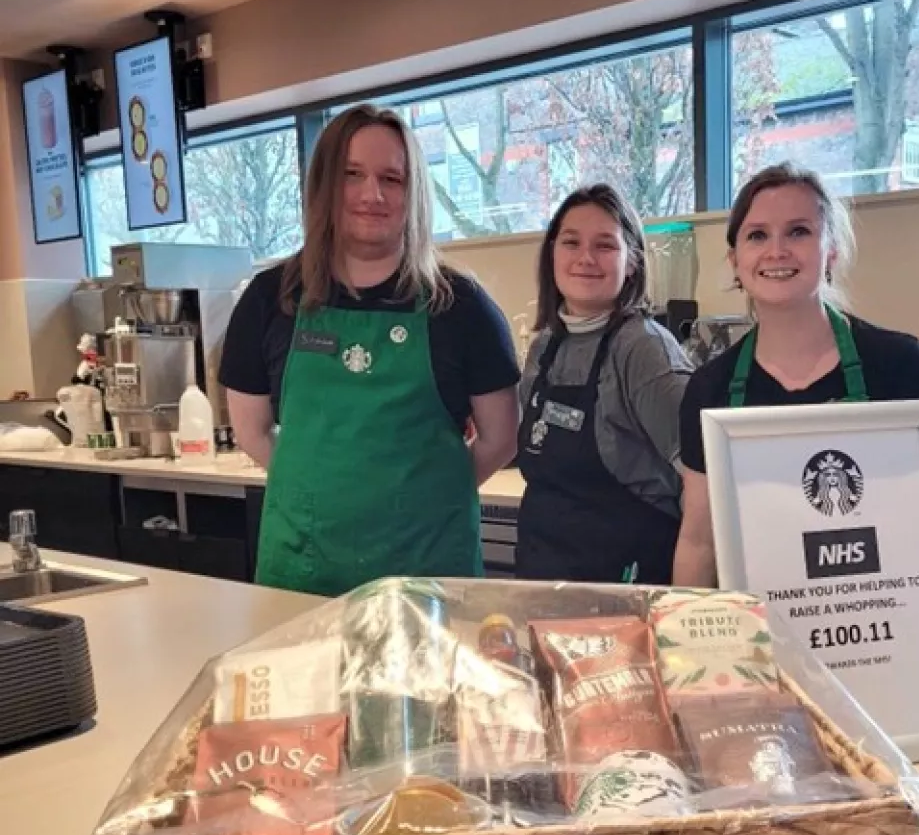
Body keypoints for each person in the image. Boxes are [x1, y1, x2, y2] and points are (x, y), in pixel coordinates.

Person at [219, 104, 519, 596]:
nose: (372, 195)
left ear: (413, 192)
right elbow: (252, 432)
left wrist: (423, 494)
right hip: (304, 573)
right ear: (323, 186)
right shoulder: (270, 299)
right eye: (351, 174)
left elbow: (500, 440)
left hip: (428, 575)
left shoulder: (461, 307)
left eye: (392, 179)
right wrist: (321, 489)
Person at [673, 163, 919, 587]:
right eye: (757, 235)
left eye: (798, 231)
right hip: (759, 634)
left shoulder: (897, 363)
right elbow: (700, 541)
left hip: (877, 619)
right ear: (736, 261)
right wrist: (681, 646)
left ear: (831, 251)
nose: (777, 251)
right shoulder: (710, 388)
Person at [515, 184, 693, 584]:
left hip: (624, 587)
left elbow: (702, 484)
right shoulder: (544, 345)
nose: (585, 259)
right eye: (571, 242)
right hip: (542, 578)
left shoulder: (644, 349)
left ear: (632, 262)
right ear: (552, 254)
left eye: (605, 246)